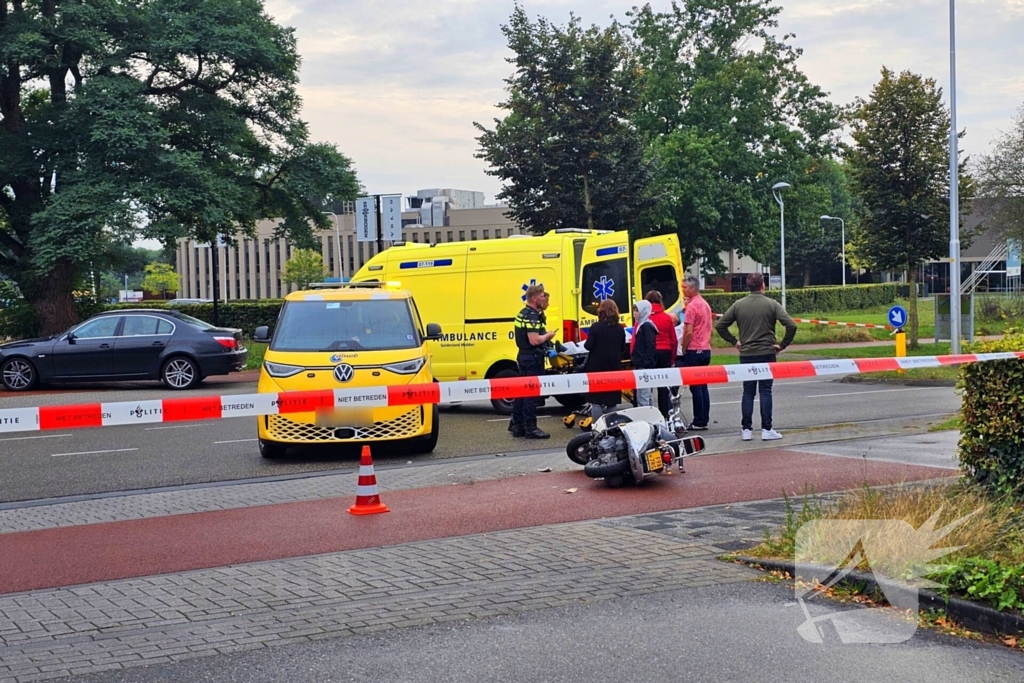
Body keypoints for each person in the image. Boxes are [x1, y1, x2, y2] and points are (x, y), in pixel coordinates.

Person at [714, 272, 797, 442]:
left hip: (747, 353)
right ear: (763, 285)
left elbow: (720, 325)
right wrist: (782, 345)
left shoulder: (738, 305)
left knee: (748, 391)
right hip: (767, 353)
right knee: (765, 391)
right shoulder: (772, 304)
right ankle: (767, 429)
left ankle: (746, 429)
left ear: (747, 286)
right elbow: (791, 325)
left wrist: (734, 341)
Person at [511, 284, 555, 439]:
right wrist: (548, 336)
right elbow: (534, 340)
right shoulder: (531, 316)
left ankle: (518, 425)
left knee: (521, 392)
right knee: (531, 393)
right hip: (532, 358)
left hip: (523, 356)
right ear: (535, 298)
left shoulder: (522, 313)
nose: (544, 298)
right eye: (542, 296)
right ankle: (531, 427)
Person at [678, 276, 713, 431]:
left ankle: (699, 420)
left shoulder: (692, 306)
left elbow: (688, 332)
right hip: (705, 349)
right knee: (703, 386)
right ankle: (704, 418)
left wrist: (684, 348)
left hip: (694, 349)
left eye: (685, 287)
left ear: (693, 288)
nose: (682, 290)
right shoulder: (705, 304)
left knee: (695, 387)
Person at [584, 299, 626, 418]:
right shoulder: (619, 328)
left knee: (596, 401)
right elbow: (622, 348)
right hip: (613, 367)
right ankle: (611, 426)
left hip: (596, 368)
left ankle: (597, 426)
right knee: (612, 400)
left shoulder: (595, 327)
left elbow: (588, 346)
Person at [645, 290, 677, 417]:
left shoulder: (645, 318)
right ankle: (665, 414)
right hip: (665, 352)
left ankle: (650, 414)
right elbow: (673, 340)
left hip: (650, 352)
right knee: (663, 386)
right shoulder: (667, 318)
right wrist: (673, 358)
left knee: (648, 385)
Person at [630, 299, 658, 408]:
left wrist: (646, 362)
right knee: (645, 393)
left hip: (644, 366)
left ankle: (646, 416)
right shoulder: (641, 325)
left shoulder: (646, 326)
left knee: (644, 394)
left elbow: (650, 346)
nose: (634, 314)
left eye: (637, 311)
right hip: (641, 364)